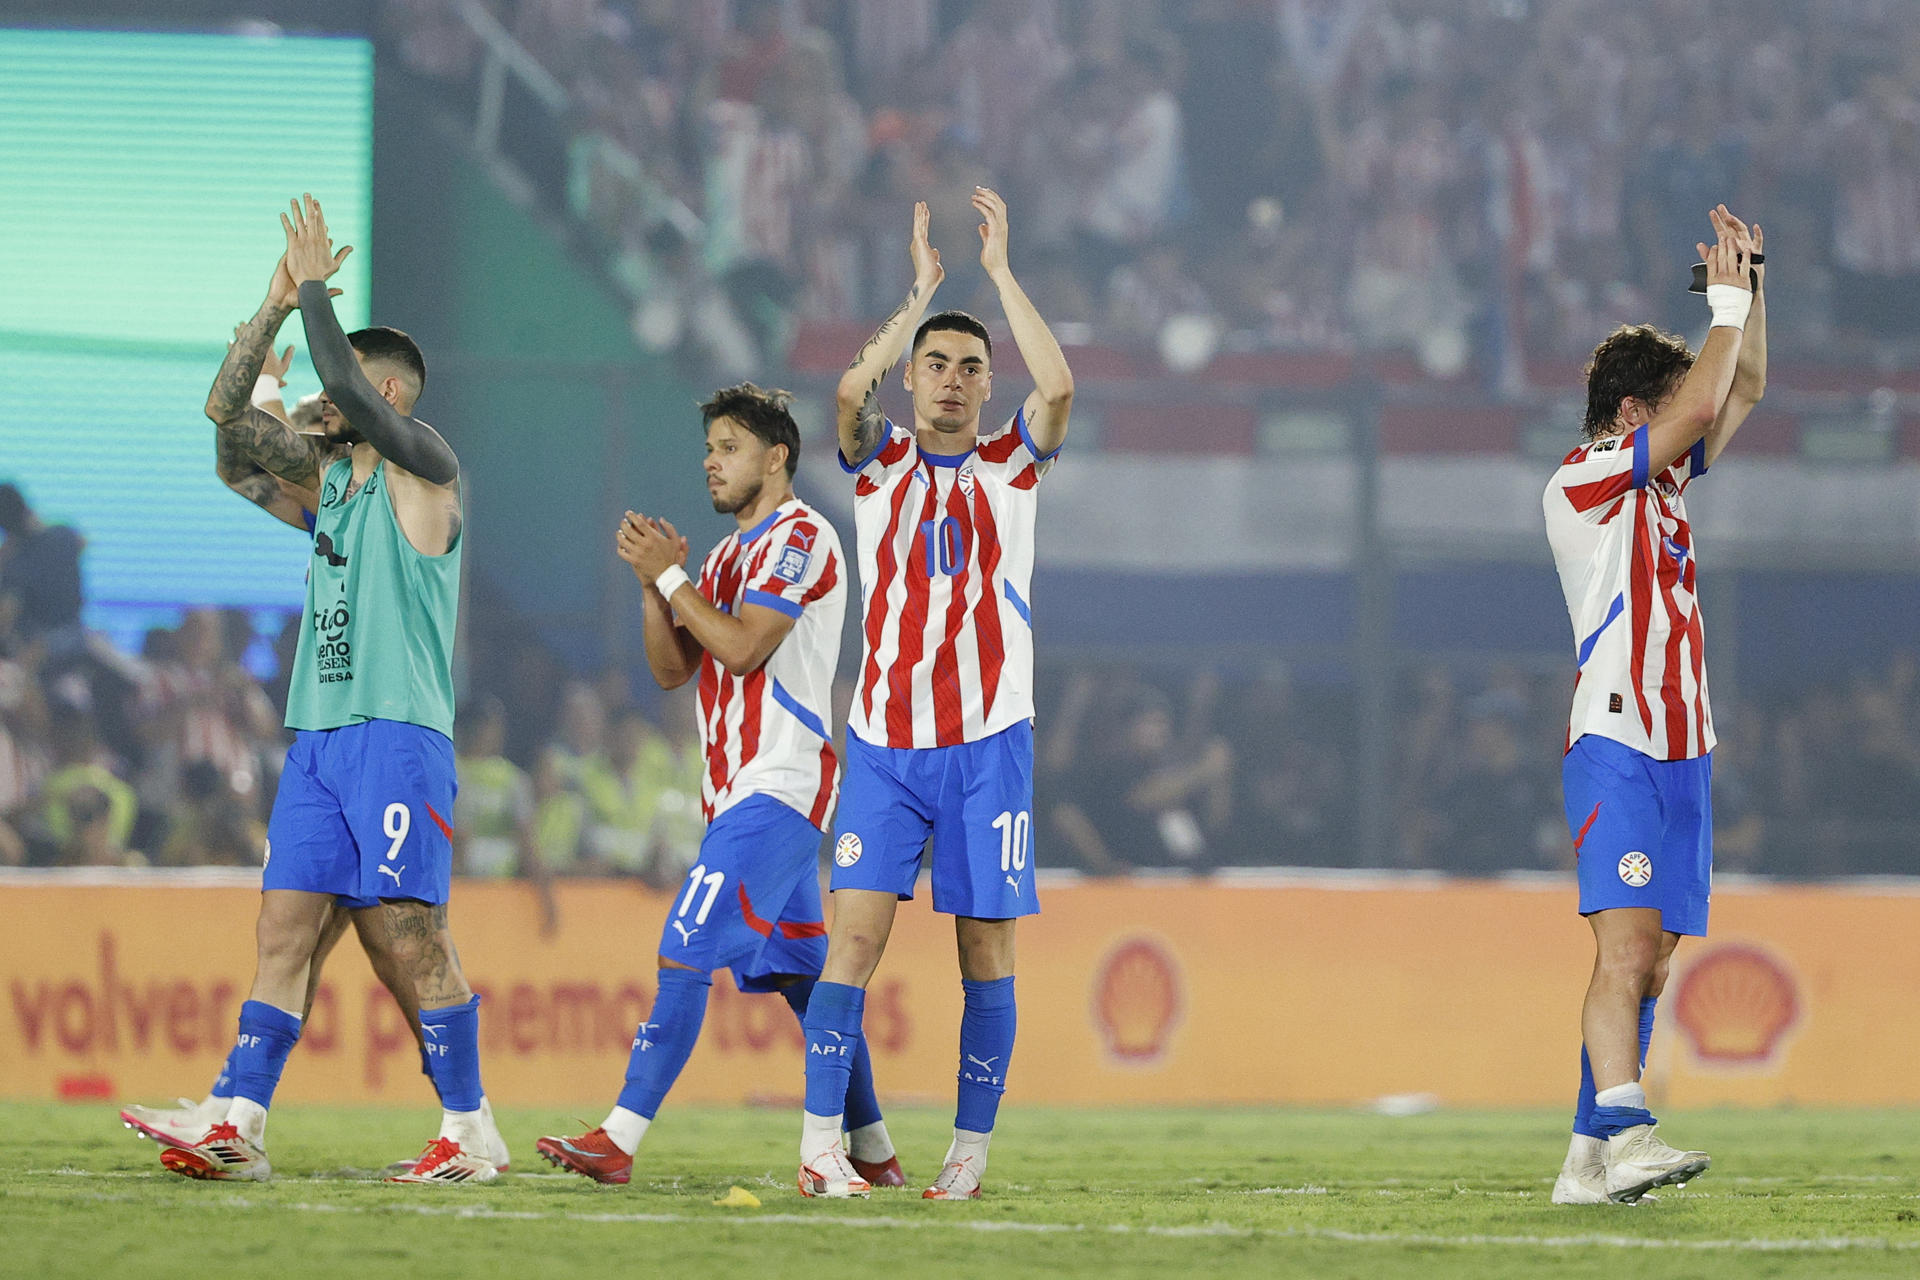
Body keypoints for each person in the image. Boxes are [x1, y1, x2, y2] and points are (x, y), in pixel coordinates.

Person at [149, 194, 495, 1184]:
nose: (305, 413)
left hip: (398, 730)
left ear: (386, 393)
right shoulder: (335, 489)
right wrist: (267, 311)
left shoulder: (425, 471)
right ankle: (241, 1123)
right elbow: (229, 433)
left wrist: (308, 289)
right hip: (322, 735)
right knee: (284, 928)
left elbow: (337, 374)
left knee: (411, 932)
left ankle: (468, 1129)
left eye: (324, 405)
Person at [536, 382, 903, 1189]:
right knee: (809, 982)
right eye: (709, 449)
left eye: (729, 448)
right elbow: (675, 670)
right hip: (736, 791)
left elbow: (741, 651)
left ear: (776, 458)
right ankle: (874, 1152)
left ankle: (619, 1138)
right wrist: (653, 587)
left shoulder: (803, 536)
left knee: (684, 949)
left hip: (781, 785)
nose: (712, 463)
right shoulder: (726, 555)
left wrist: (672, 583)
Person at [796, 189, 1072, 1200]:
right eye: (937, 365)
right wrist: (918, 295)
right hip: (883, 741)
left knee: (982, 950)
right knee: (854, 941)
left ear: (989, 386)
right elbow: (843, 392)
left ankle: (966, 1155)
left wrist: (999, 276)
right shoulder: (879, 464)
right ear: (913, 374)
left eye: (971, 368)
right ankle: (821, 1148)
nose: (953, 381)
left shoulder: (1012, 466)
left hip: (989, 743)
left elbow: (1063, 385)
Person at [1542, 205, 1765, 1205]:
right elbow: (1702, 408)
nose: (1702, 422)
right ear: (1635, 412)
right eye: (1679, 409)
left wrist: (1749, 288)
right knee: (1623, 946)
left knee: (1658, 962)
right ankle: (1628, 1131)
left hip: (1686, 748)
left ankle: (1586, 1162)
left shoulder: (1664, 482)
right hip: (1618, 739)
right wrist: (1719, 304)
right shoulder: (1585, 479)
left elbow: (1743, 383)